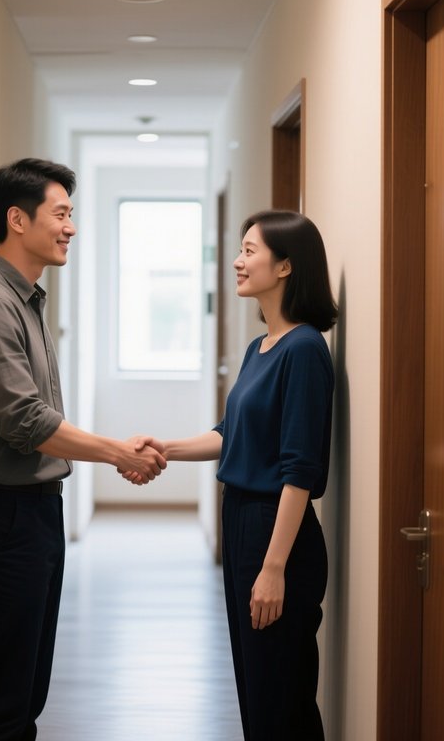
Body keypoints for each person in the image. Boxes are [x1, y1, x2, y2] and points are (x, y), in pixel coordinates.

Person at [0, 157, 166, 741]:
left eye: (72, 214)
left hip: (30, 512)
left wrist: (116, 450)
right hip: (1, 518)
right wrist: (119, 452)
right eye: (61, 213)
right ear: (17, 218)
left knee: (25, 690)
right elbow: (25, 421)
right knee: (2, 701)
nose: (71, 227)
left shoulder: (25, 299)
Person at [124, 209, 337, 740]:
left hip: (275, 531)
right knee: (257, 688)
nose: (237, 262)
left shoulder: (305, 349)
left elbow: (299, 470)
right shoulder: (259, 347)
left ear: (286, 266)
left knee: (280, 699)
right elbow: (230, 433)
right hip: (243, 520)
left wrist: (274, 567)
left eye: (249, 250)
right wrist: (164, 447)